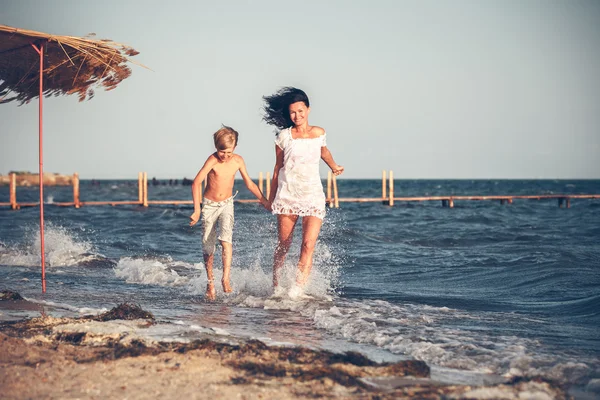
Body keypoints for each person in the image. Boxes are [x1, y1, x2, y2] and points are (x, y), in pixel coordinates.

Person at [263, 87, 344, 296]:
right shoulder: (284, 137)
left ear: (308, 109)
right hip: (288, 194)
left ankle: (297, 291)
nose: (296, 116)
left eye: (300, 111)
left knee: (308, 245)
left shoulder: (319, 133)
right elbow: (277, 168)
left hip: (313, 195)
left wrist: (334, 166)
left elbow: (324, 152)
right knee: (284, 244)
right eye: (292, 112)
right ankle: (277, 287)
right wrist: (271, 199)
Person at [189, 125, 271, 300]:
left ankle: (225, 278)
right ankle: (210, 282)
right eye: (221, 151)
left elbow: (249, 183)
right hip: (210, 205)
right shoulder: (212, 160)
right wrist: (197, 210)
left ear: (235, 148)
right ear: (216, 148)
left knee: (226, 240)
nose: (225, 156)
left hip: (227, 203)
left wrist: (264, 201)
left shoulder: (238, 161)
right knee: (208, 245)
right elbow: (196, 183)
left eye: (229, 152)